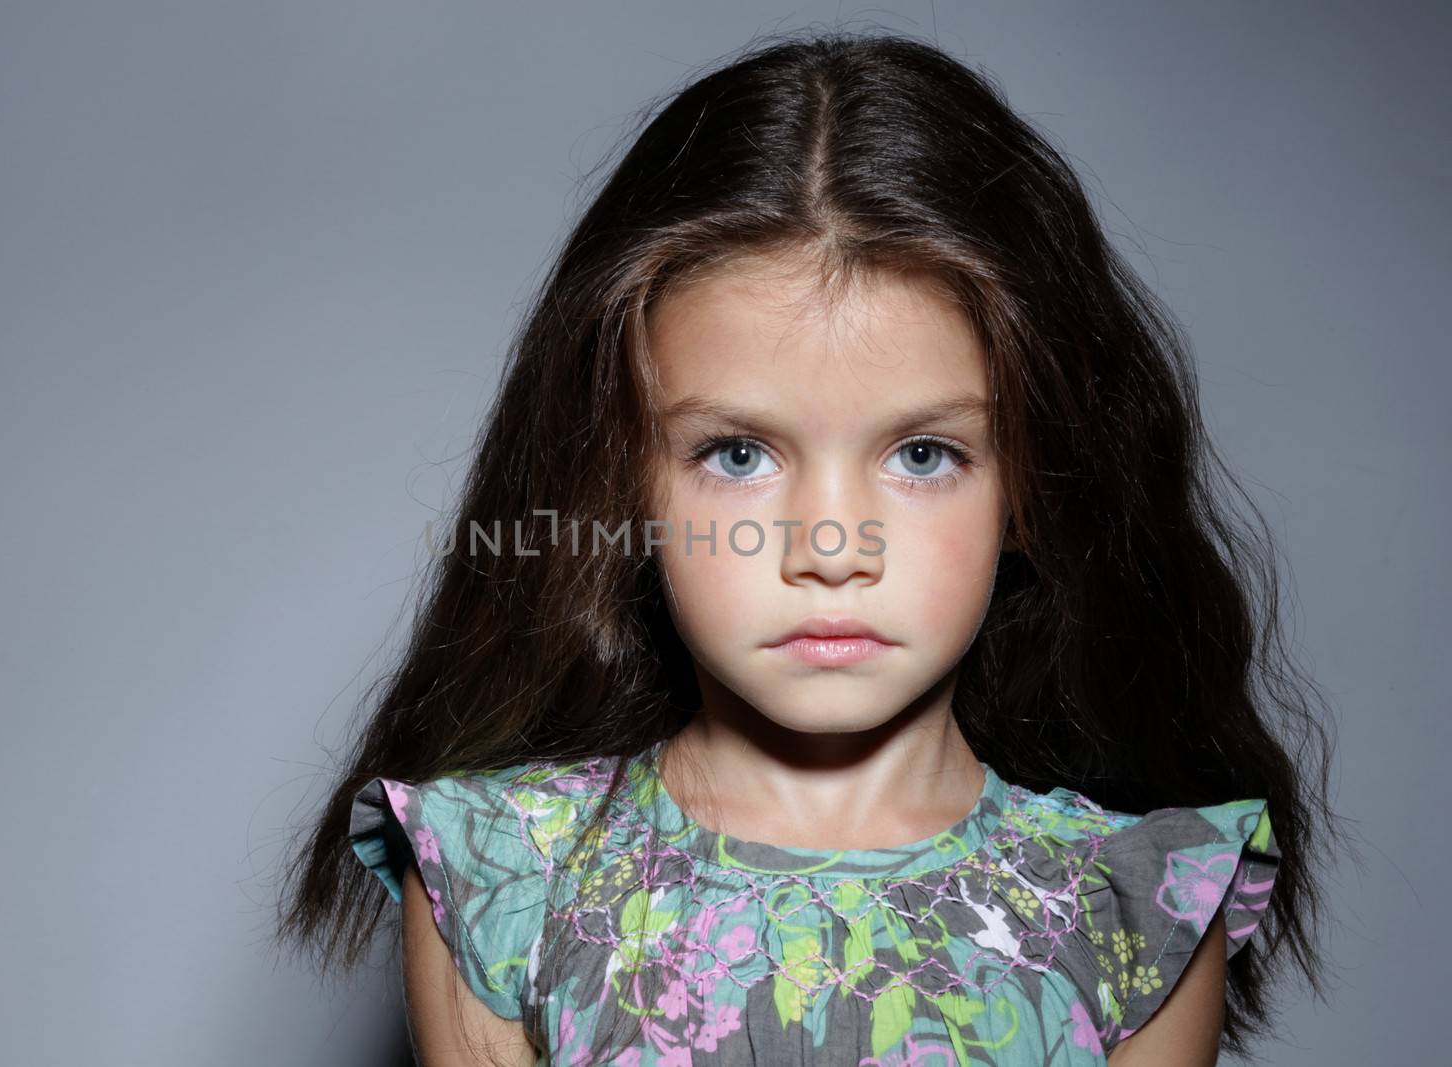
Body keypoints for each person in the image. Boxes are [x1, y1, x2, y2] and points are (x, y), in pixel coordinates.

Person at [275, 29, 1340, 1067]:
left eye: (923, 454)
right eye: (737, 454)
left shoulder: (1137, 897)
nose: (829, 550)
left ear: (1034, 483)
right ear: (620, 479)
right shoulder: (500, 869)